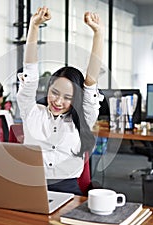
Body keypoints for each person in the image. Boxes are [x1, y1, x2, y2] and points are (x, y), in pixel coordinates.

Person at [17, 6, 104, 195]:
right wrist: (33, 26)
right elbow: (30, 72)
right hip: (30, 186)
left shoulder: (83, 118)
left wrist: (98, 33)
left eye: (68, 97)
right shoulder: (32, 112)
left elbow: (91, 81)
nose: (58, 101)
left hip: (68, 189)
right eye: (54, 93)